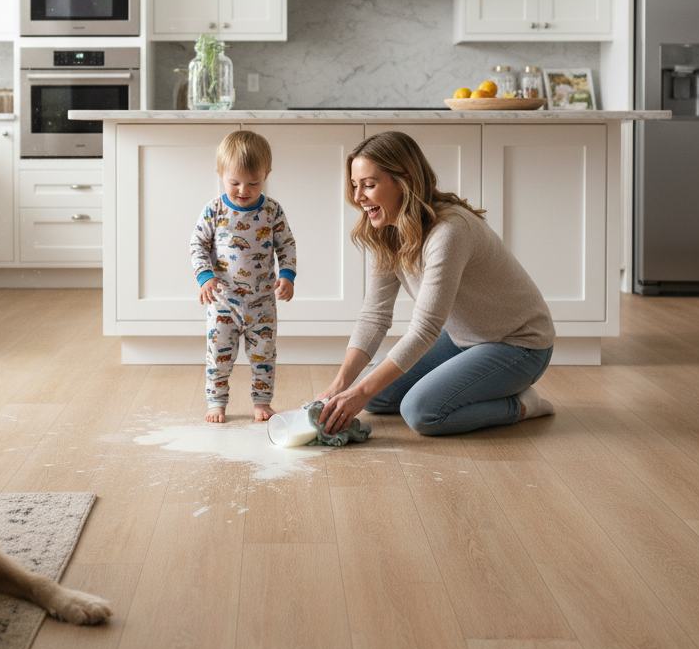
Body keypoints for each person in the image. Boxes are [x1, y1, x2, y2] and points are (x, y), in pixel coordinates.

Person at [318, 130, 555, 437]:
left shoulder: (449, 232)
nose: (357, 197)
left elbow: (424, 330)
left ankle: (522, 405)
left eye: (369, 185)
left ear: (405, 181)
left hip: (519, 345)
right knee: (374, 395)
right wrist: (341, 386)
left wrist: (357, 392)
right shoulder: (387, 229)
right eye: (354, 185)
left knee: (420, 411)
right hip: (462, 338)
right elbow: (374, 316)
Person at [191, 131, 297, 424]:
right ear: (220, 173)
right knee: (219, 356)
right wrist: (205, 277)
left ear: (267, 174)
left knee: (264, 354)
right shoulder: (214, 211)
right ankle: (216, 401)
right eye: (234, 182)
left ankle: (262, 402)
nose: (243, 190)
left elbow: (286, 244)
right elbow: (197, 245)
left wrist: (287, 276)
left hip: (262, 301)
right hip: (222, 302)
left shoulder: (272, 211)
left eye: (254, 182)